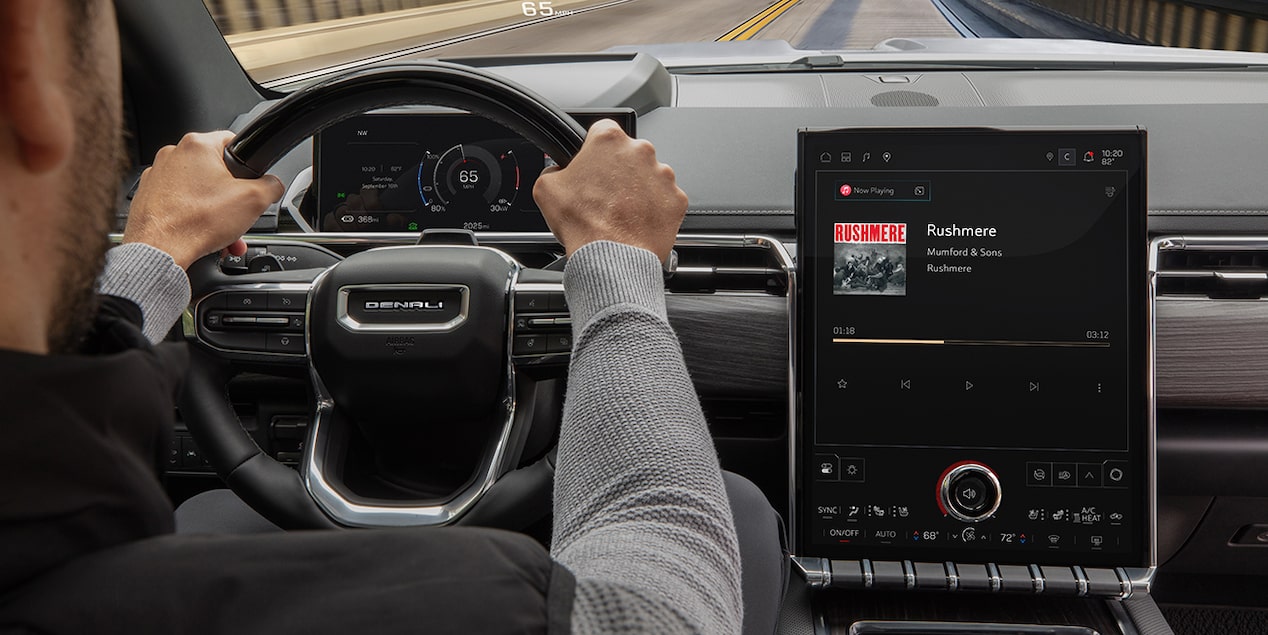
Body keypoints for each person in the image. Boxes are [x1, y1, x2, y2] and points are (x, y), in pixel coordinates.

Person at [0, 1, 785, 633]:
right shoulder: (491, 607)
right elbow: (662, 608)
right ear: (25, 50)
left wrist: (157, 249)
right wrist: (617, 262)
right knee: (742, 509)